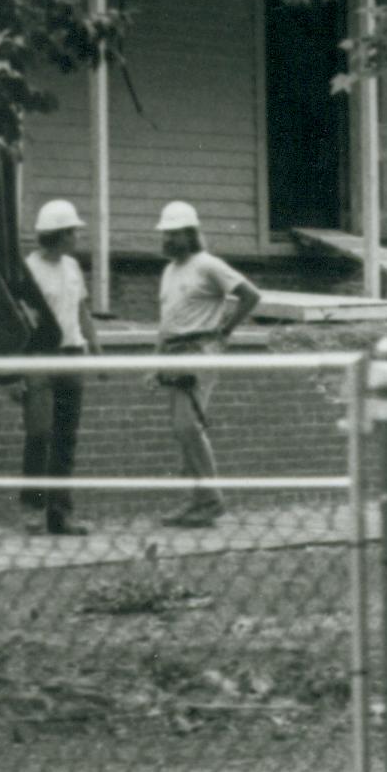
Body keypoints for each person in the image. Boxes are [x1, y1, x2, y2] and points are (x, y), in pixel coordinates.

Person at [153, 199, 259, 528]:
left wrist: (225, 330)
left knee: (188, 425)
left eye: (174, 234)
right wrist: (155, 362)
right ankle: (197, 500)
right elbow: (167, 319)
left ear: (190, 234)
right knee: (181, 429)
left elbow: (251, 295)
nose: (167, 240)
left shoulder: (208, 265)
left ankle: (209, 500)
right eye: (165, 234)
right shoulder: (170, 270)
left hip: (197, 351)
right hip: (173, 352)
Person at [22, 198, 95, 536]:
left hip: (72, 354)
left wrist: (95, 349)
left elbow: (81, 310)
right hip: (40, 356)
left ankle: (60, 515)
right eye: (72, 232)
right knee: (39, 434)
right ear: (58, 234)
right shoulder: (29, 269)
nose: (77, 237)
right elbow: (20, 321)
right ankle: (33, 510)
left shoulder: (72, 267)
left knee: (66, 438)